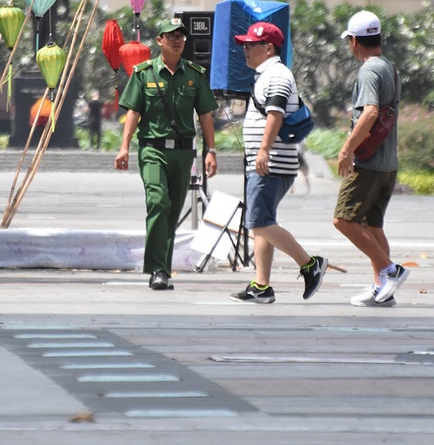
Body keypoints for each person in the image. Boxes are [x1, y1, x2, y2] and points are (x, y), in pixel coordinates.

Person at [115, 17, 218, 291]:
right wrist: (124, 147)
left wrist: (211, 151)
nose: (177, 40)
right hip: (152, 149)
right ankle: (157, 269)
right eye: (171, 36)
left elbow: (205, 115)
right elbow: (133, 111)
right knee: (158, 202)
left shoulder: (195, 75)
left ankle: (163, 269)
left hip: (183, 154)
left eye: (181, 36)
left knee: (171, 214)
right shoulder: (144, 73)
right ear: (159, 40)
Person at [229, 22, 327, 304]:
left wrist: (263, 151)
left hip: (269, 163)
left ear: (269, 48)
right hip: (267, 162)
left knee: (259, 222)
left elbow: (275, 114)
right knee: (263, 222)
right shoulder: (267, 74)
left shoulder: (278, 75)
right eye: (245, 45)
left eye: (251, 45)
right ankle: (261, 286)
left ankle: (310, 264)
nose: (245, 50)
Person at [333, 10, 408, 307]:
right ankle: (382, 290)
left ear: (354, 41)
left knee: (343, 220)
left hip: (369, 163)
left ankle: (390, 271)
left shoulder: (368, 70)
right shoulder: (389, 67)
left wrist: (347, 149)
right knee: (372, 225)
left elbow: (370, 113)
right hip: (388, 163)